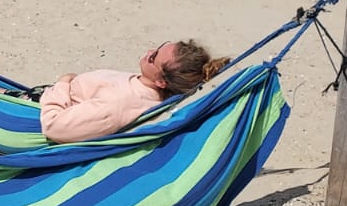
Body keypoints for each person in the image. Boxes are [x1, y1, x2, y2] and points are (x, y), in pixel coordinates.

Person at [37, 40, 229, 143]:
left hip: (39, 108)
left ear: (161, 81)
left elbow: (54, 127)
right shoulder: (143, 87)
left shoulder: (119, 104)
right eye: (159, 47)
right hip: (53, 96)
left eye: (153, 57)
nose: (149, 51)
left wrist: (63, 83)